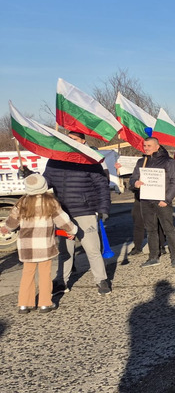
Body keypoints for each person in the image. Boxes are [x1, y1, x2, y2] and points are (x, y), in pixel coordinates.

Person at [43, 130, 112, 294]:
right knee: (65, 251)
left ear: (82, 141)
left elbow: (102, 187)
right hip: (62, 215)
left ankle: (101, 280)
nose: (69, 141)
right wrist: (31, 177)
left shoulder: (90, 160)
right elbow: (45, 182)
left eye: (73, 139)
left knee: (92, 249)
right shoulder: (54, 160)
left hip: (85, 212)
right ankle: (61, 281)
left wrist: (103, 209)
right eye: (68, 139)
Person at [1, 174, 77, 313]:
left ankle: (24, 304)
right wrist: (73, 230)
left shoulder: (22, 202)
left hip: (26, 246)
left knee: (27, 274)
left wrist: (6, 227)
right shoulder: (50, 202)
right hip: (44, 245)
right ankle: (44, 303)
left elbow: (12, 223)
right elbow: (63, 221)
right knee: (44, 274)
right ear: (44, 186)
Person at [130, 137, 175, 268]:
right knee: (151, 230)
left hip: (162, 201)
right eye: (144, 145)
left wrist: (167, 199)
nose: (146, 148)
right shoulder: (142, 162)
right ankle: (153, 256)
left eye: (149, 145)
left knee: (168, 229)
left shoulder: (168, 162)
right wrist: (135, 183)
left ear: (157, 146)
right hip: (146, 201)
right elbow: (132, 179)